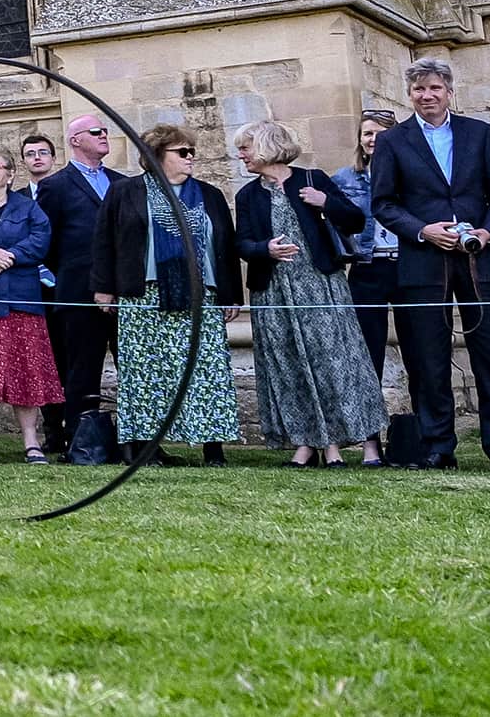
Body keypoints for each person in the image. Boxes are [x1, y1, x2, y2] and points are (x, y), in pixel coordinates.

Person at [369, 58, 490, 470]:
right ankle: (437, 446)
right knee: (429, 357)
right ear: (409, 94)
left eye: (434, 88)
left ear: (449, 91)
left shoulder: (477, 133)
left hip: (478, 261)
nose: (427, 96)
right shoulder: (393, 141)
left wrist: (487, 233)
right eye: (418, 90)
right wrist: (423, 230)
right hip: (424, 263)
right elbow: (384, 204)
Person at [232, 119, 387, 468]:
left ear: (265, 146)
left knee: (340, 363)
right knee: (289, 367)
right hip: (274, 293)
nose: (240, 155)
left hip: (321, 285)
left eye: (245, 147)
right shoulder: (248, 195)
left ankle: (366, 441)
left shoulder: (312, 179)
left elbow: (356, 221)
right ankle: (306, 442)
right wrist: (264, 248)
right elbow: (241, 243)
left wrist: (325, 202)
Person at [93, 123, 240, 465]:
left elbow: (225, 247)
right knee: (145, 371)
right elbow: (104, 241)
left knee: (205, 369)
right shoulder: (125, 192)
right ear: (157, 156)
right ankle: (146, 447)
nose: (191, 158)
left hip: (198, 295)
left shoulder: (210, 194)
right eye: (182, 152)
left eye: (192, 152)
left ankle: (212, 447)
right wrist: (103, 289)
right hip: (143, 295)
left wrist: (230, 293)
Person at [0, 148, 61, 464]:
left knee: (27, 372)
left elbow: (41, 241)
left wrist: (8, 258)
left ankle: (32, 442)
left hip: (21, 302)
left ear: (10, 173)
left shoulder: (29, 208)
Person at [36, 114, 122, 452]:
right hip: (78, 292)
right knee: (81, 369)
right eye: (96, 132)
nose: (104, 136)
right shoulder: (55, 186)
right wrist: (61, 282)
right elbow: (46, 242)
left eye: (105, 131)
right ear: (75, 139)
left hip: (121, 291)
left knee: (130, 364)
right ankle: (79, 441)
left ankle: (131, 440)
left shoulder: (120, 182)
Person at [327, 108, 405, 462]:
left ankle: (417, 442)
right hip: (367, 269)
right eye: (367, 133)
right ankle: (369, 442)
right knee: (365, 359)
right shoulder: (345, 178)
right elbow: (333, 222)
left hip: (408, 267)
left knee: (421, 355)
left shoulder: (413, 175)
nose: (373, 139)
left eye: (381, 132)